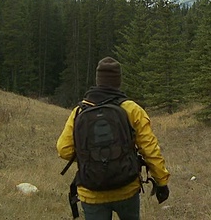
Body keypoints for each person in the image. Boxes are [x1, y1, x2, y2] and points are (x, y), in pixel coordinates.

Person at [57, 57, 170, 220]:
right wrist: (161, 182)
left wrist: (92, 159)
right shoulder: (131, 109)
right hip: (126, 188)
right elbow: (150, 150)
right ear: (118, 81)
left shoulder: (79, 112)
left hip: (91, 191)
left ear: (98, 80)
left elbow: (63, 149)